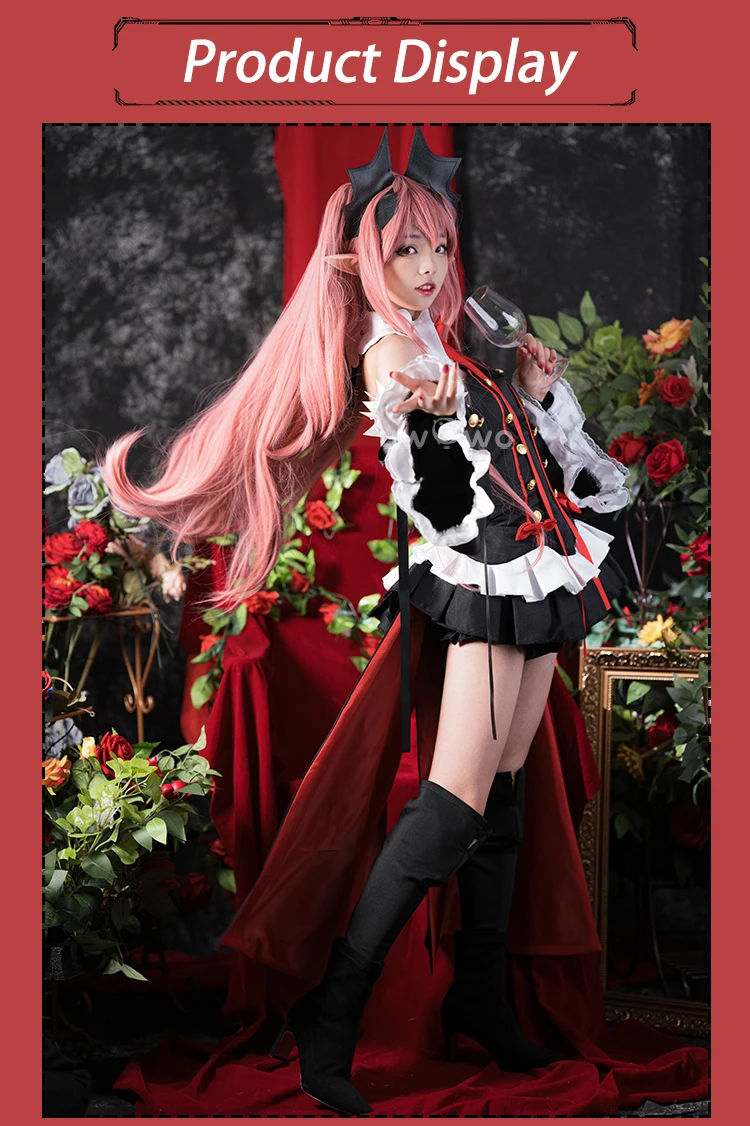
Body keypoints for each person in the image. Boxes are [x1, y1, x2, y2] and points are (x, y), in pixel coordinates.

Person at [103, 128, 630, 1115]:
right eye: (406, 249)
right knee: (454, 804)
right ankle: (333, 1013)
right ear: (358, 258)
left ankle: (481, 996)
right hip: (481, 578)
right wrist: (426, 417)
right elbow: (440, 501)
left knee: (504, 795)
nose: (429, 268)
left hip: (529, 572)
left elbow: (523, 465)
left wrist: (528, 397)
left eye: (439, 246)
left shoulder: (440, 341)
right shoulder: (391, 351)